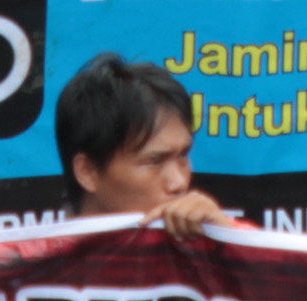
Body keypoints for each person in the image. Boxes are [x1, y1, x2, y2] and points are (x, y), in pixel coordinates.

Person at [58, 53, 225, 233]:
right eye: (155, 160)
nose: (179, 183)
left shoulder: (215, 243)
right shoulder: (42, 251)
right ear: (87, 171)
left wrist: (227, 237)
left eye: (183, 155)